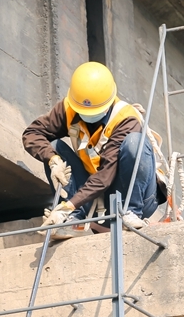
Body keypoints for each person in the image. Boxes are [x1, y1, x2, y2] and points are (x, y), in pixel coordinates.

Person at [22, 61, 165, 238]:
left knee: (135, 142)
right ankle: (72, 220)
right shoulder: (69, 109)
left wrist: (69, 205)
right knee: (53, 147)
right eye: (84, 111)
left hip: (135, 196)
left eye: (93, 111)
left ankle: (130, 211)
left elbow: (105, 175)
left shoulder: (125, 119)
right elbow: (32, 133)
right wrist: (53, 160)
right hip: (95, 201)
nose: (88, 115)